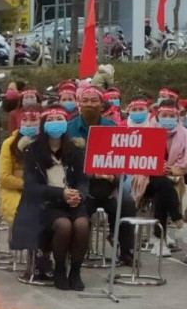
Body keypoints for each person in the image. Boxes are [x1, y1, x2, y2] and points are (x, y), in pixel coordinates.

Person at [12, 106, 89, 290]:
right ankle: (60, 270)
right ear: (45, 124)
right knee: (64, 225)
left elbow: (83, 179)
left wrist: (79, 195)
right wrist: (60, 193)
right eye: (51, 120)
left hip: (73, 201)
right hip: (46, 204)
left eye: (60, 119)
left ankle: (76, 272)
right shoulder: (33, 151)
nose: (56, 124)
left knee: (82, 224)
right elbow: (31, 187)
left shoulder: (75, 150)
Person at [67, 85, 134, 264]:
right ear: (79, 103)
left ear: (102, 104)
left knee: (127, 202)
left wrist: (115, 177)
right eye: (85, 100)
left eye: (94, 100)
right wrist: (88, 174)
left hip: (109, 184)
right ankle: (77, 251)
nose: (89, 104)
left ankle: (125, 249)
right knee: (78, 207)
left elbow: (122, 162)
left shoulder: (112, 127)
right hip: (82, 185)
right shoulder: (69, 128)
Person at [138, 99, 187, 257]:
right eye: (164, 115)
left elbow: (186, 163)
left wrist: (172, 169)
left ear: (177, 117)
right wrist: (156, 167)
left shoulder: (185, 134)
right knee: (159, 181)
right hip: (145, 177)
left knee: (162, 190)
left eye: (171, 115)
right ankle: (179, 222)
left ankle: (159, 241)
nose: (168, 118)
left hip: (173, 177)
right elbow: (141, 159)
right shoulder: (148, 130)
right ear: (158, 115)